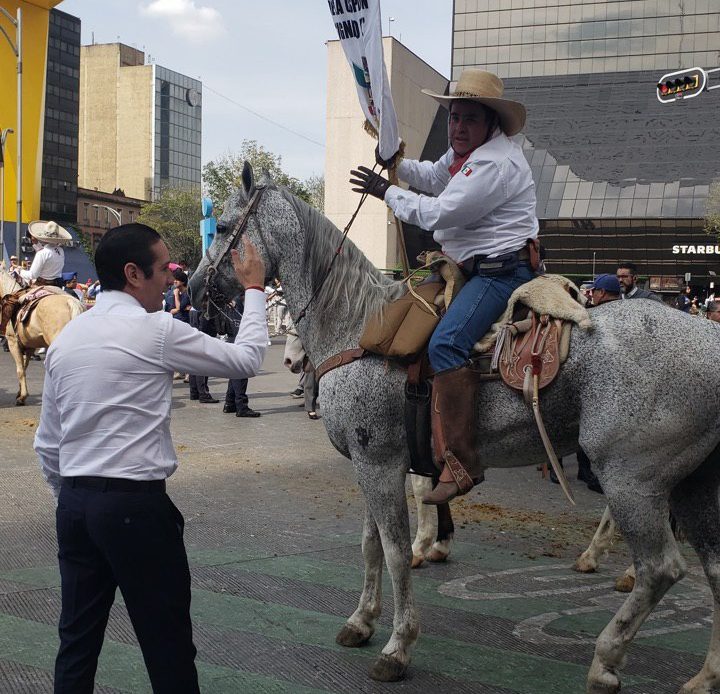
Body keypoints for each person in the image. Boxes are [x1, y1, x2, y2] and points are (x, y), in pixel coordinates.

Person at [34, 223, 267, 694]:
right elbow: (246, 359)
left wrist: (77, 497)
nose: (169, 279)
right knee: (167, 644)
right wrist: (256, 289)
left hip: (76, 506)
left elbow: (48, 444)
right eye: (163, 269)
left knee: (76, 642)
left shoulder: (66, 342)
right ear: (133, 273)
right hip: (134, 509)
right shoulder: (157, 330)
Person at [350, 68, 537, 504]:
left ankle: (461, 462)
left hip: (499, 273)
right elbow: (431, 177)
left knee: (445, 345)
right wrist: (396, 161)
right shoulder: (467, 155)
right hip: (472, 267)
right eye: (454, 117)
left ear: (491, 122)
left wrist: (386, 191)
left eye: (469, 118)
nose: (458, 127)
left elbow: (440, 214)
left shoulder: (495, 163)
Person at [1, 220, 73, 336]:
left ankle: (7, 331)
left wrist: (18, 270)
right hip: (56, 285)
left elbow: (32, 275)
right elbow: (45, 253)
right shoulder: (60, 251)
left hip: (41, 285)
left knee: (11, 301)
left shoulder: (42, 254)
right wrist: (35, 244)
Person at [222, 295, 261, 417]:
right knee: (241, 373)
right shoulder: (238, 301)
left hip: (233, 339)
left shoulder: (235, 300)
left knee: (235, 373)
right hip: (239, 340)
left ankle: (230, 403)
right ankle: (241, 406)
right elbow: (238, 324)